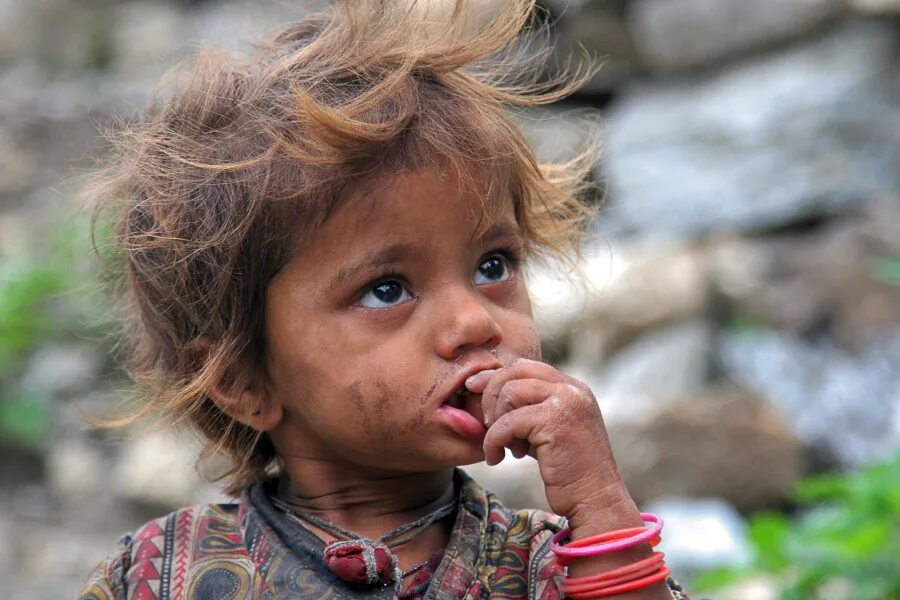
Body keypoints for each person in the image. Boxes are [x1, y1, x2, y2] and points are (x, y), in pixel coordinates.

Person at [77, 1, 699, 598]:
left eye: (492, 266)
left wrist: (602, 510)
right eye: (387, 289)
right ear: (243, 380)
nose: (474, 321)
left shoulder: (546, 566)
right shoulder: (158, 574)